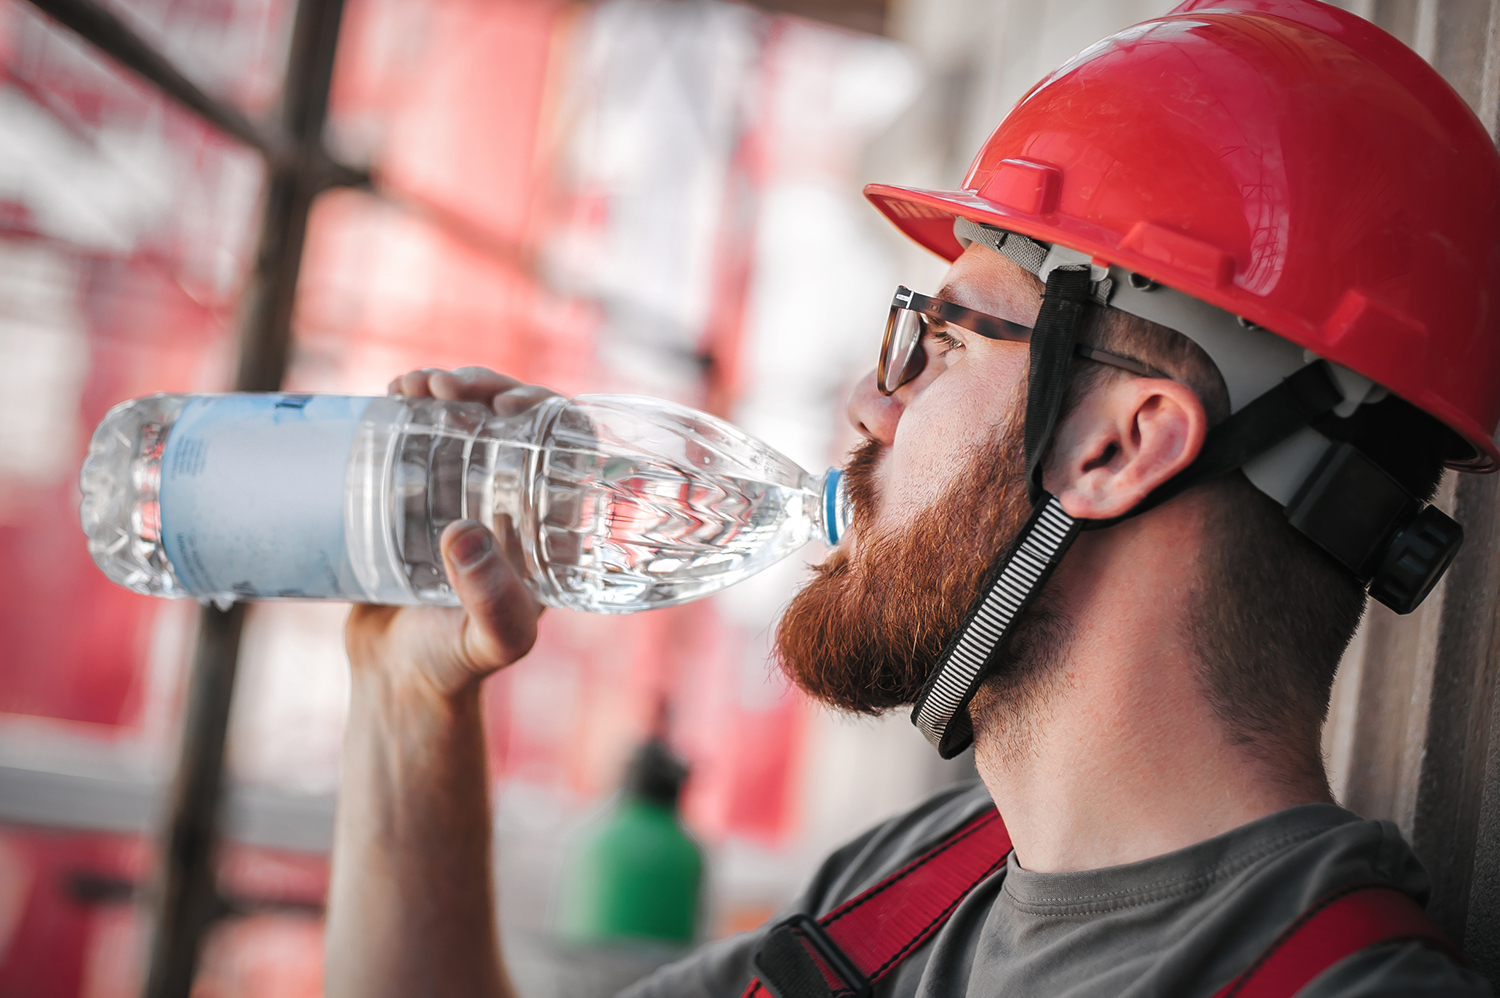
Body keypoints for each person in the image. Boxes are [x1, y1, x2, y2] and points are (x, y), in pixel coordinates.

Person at [324, 2, 1500, 996]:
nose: (868, 402)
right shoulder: (915, 894)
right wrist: (405, 699)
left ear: (1118, 443)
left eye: (936, 339)